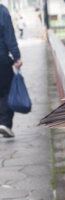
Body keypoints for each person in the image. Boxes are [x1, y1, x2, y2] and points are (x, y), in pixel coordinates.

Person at [0, 3, 23, 138]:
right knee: (6, 90)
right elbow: (9, 36)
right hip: (1, 58)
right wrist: (16, 57)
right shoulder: (2, 11)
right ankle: (5, 124)